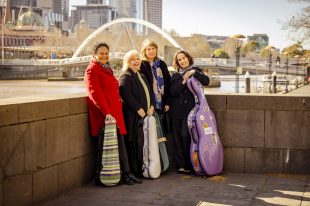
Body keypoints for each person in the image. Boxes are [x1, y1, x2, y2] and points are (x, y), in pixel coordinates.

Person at [84, 42, 141, 186]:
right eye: (101, 53)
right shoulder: (92, 69)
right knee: (109, 149)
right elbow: (95, 93)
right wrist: (107, 113)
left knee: (120, 145)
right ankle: (117, 175)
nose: (104, 55)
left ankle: (126, 173)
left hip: (115, 113)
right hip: (105, 116)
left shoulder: (106, 68)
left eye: (106, 53)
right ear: (94, 54)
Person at [169, 50, 210, 174]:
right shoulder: (176, 75)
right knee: (177, 138)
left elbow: (206, 81)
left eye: (184, 58)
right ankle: (181, 165)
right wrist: (183, 80)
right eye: (179, 60)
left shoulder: (196, 71)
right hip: (176, 111)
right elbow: (173, 92)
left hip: (191, 111)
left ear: (188, 58)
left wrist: (193, 72)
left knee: (186, 136)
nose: (182, 61)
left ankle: (190, 164)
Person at [119, 50, 155, 177]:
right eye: (133, 59)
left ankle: (142, 168)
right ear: (127, 62)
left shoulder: (142, 76)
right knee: (133, 142)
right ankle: (134, 170)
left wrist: (152, 106)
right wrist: (138, 108)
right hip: (132, 116)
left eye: (138, 59)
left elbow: (150, 93)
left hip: (146, 116)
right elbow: (125, 94)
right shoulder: (125, 76)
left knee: (143, 143)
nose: (136, 61)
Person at [140, 39, 171, 115]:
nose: (151, 51)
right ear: (144, 51)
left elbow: (168, 83)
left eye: (153, 48)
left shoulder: (161, 64)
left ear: (156, 49)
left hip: (162, 102)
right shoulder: (141, 65)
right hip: (148, 103)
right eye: (148, 49)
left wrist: (168, 102)